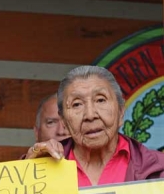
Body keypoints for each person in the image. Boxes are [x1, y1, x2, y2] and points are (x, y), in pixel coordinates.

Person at [24, 65, 164, 186]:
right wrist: (27, 175)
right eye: (77, 104)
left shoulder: (158, 169)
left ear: (121, 112)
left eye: (100, 100)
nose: (90, 115)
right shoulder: (42, 164)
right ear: (65, 121)